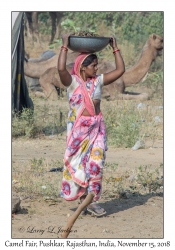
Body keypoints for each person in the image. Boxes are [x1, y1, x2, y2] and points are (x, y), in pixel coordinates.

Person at [57, 34, 125, 217]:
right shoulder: (72, 84)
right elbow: (61, 68)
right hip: (79, 132)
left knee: (96, 163)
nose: (97, 68)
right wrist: (64, 45)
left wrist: (115, 48)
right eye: (93, 65)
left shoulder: (98, 82)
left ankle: (93, 201)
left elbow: (120, 70)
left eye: (97, 65)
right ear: (82, 67)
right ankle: (83, 199)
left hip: (97, 129)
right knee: (79, 164)